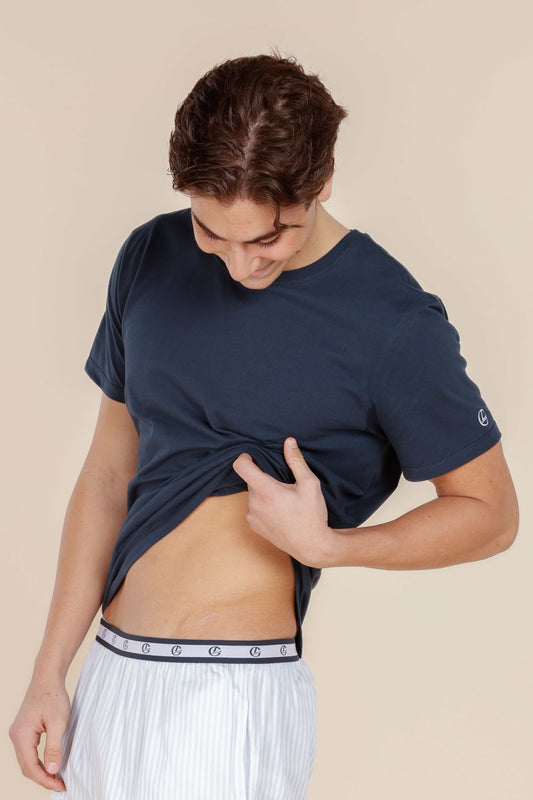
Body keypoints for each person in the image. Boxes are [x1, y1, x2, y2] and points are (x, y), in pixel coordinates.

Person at [9, 52, 518, 799]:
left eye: (267, 239)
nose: (239, 266)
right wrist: (49, 673)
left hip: (229, 699)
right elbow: (108, 474)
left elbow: (491, 514)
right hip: (109, 679)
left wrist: (333, 546)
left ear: (321, 181)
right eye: (213, 234)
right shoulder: (150, 257)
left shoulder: (391, 322)